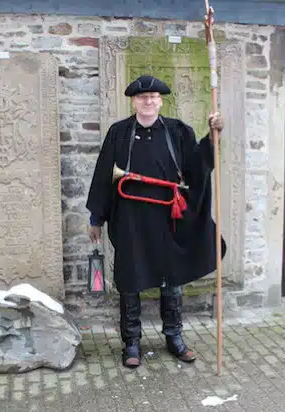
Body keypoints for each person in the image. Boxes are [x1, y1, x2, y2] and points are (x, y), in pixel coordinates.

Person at [86, 74, 227, 368]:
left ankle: (174, 337)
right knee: (129, 280)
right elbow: (102, 175)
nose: (148, 101)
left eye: (153, 97)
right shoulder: (119, 132)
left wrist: (213, 136)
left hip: (168, 218)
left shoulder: (177, 131)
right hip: (130, 219)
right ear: (134, 101)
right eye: (142, 97)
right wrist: (96, 218)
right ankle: (132, 343)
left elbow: (197, 166)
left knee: (171, 278)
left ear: (161, 101)